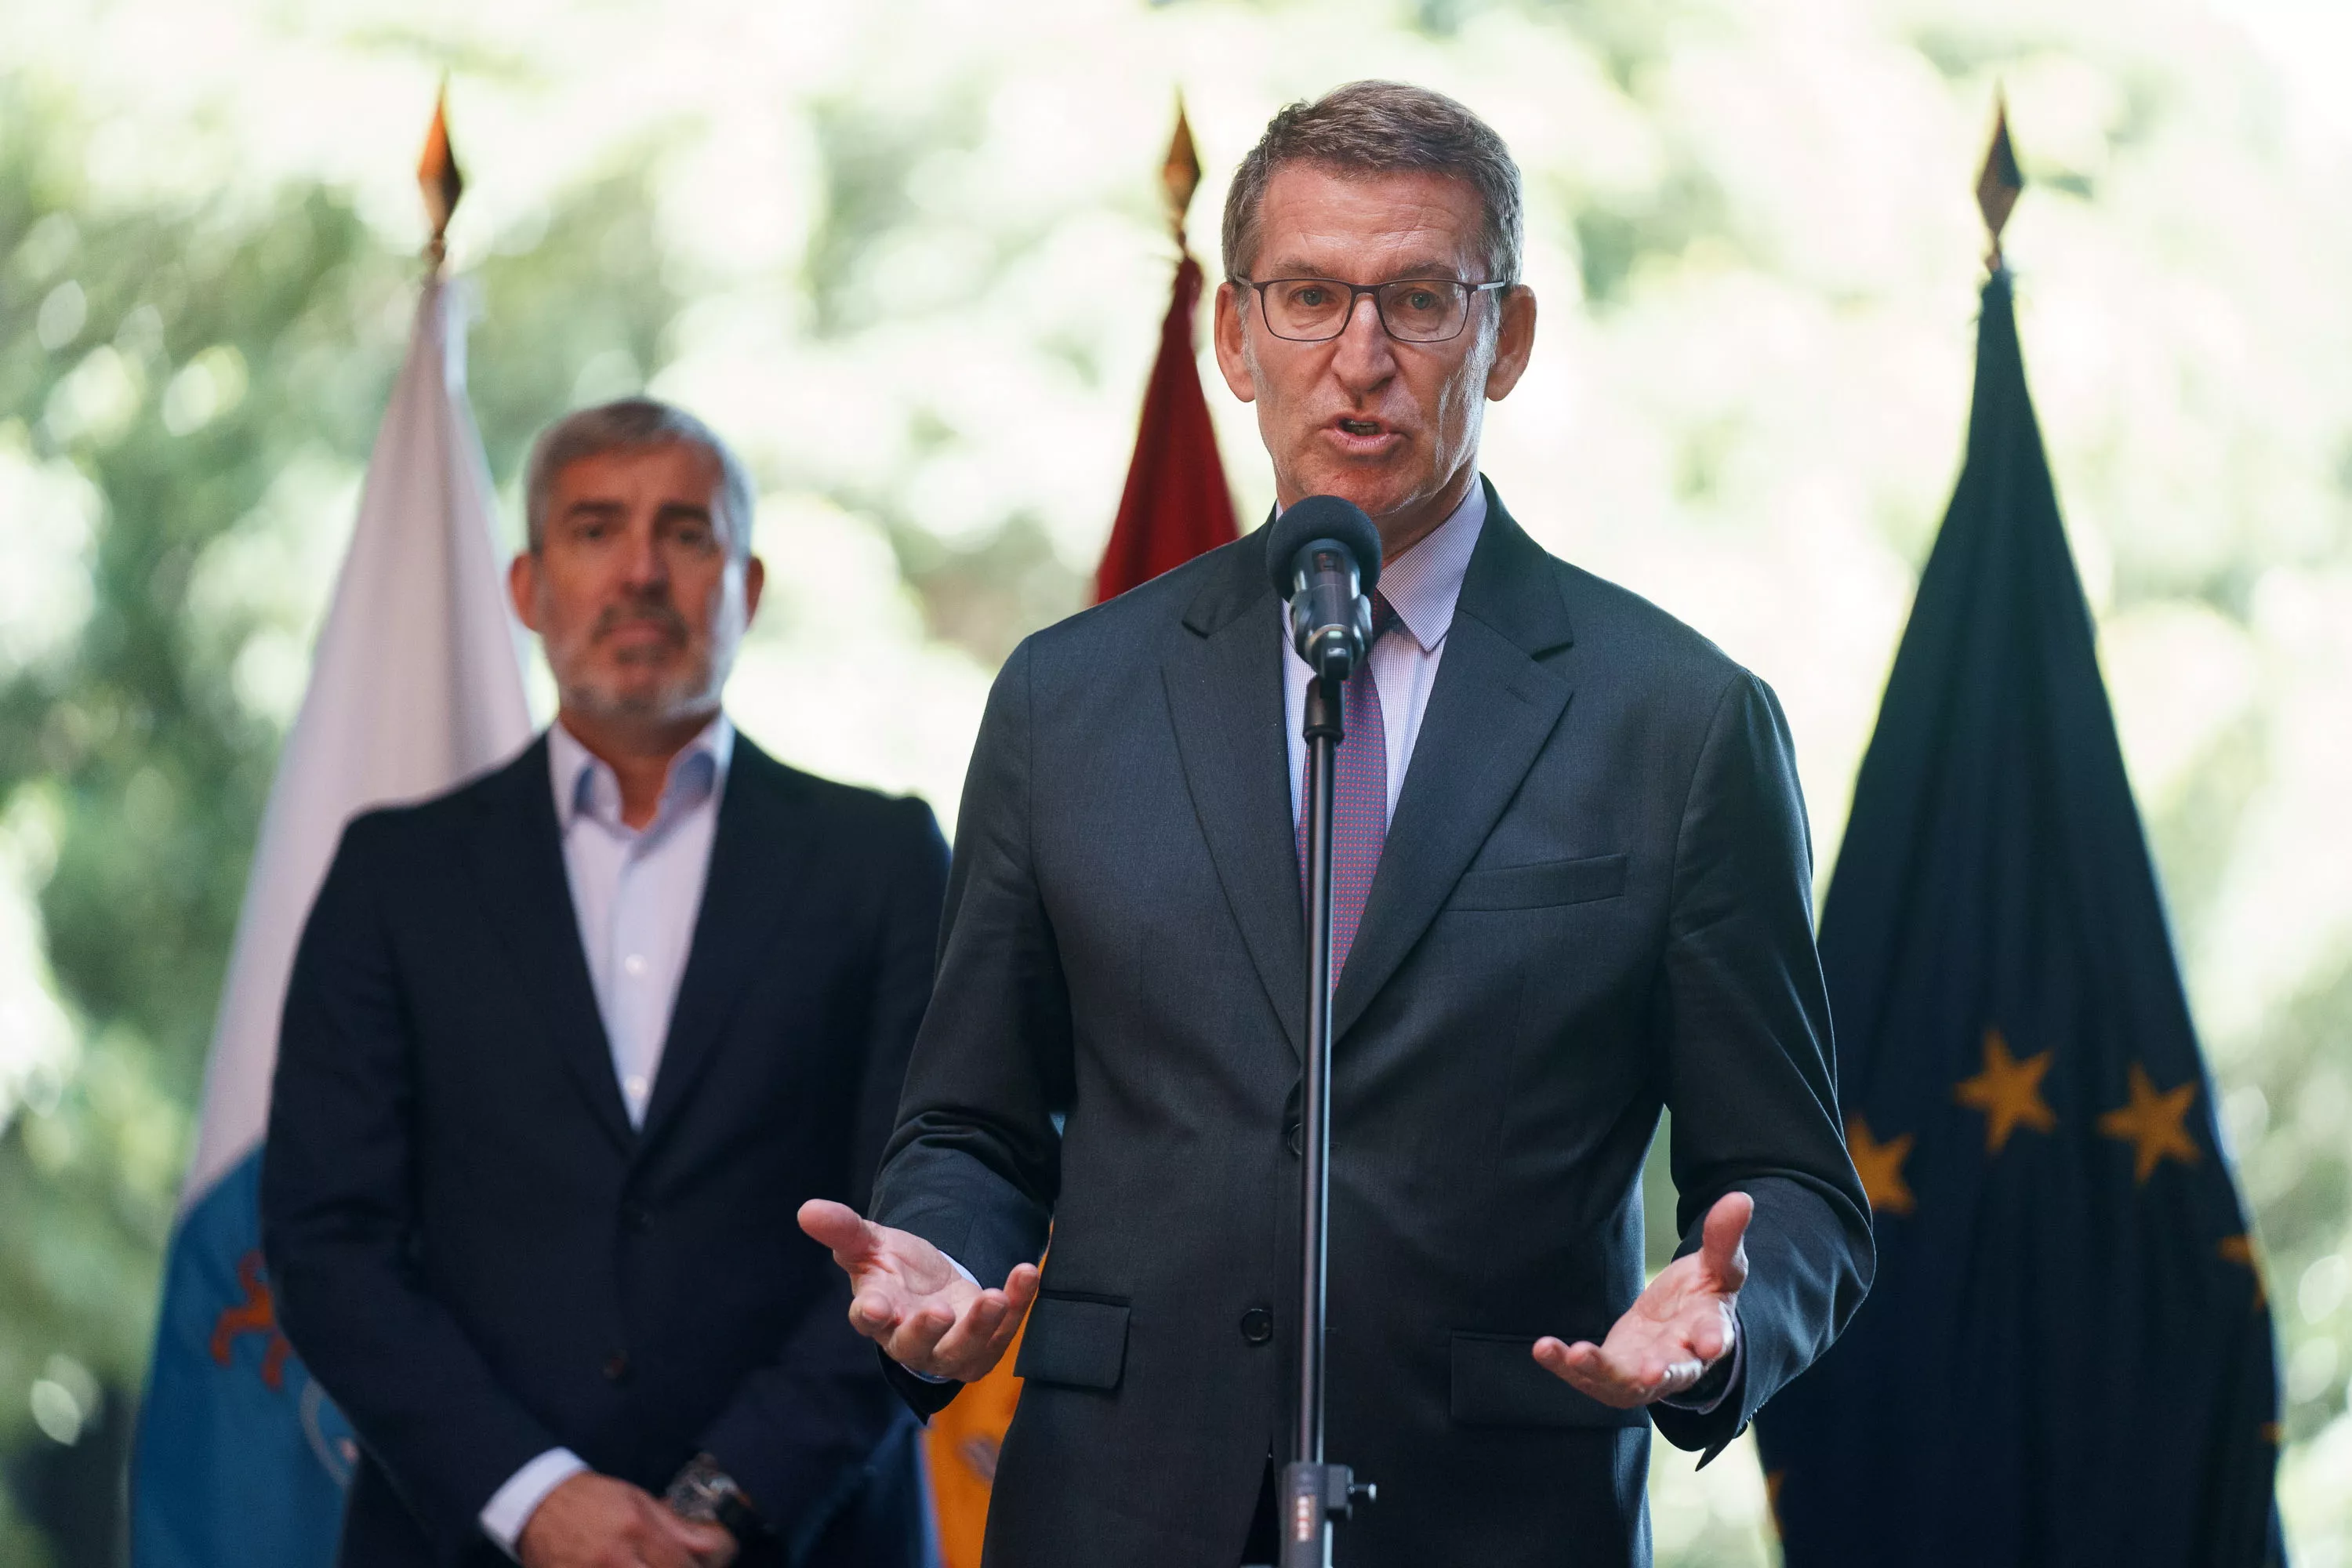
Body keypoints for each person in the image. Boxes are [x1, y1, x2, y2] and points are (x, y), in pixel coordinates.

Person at [799, 82, 1874, 1566]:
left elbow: (1800, 1185)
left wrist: (1725, 1317)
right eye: (1310, 297)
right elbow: (975, 1122)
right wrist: (942, 1258)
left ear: (1507, 339)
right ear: (1235, 337)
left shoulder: (1678, 724)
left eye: (1421, 300)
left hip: (1497, 1514)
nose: (1360, 359)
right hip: (1115, 1511)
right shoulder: (1066, 699)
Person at [263, 399, 948, 1568]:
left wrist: (722, 1503)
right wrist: (535, 1497)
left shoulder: (884, 861)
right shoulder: (396, 875)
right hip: (469, 1538)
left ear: (748, 584)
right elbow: (329, 1240)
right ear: (528, 587)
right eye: (595, 530)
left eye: (685, 533)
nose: (640, 571)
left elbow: (929, 1220)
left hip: (807, 1536)